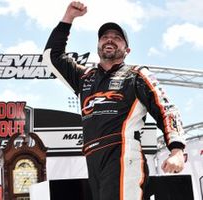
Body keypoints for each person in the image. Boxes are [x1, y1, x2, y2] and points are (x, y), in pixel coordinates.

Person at [43, 1, 186, 200]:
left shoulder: (136, 75)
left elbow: (166, 108)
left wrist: (177, 150)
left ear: (127, 50)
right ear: (98, 45)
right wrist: (68, 18)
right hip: (93, 159)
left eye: (117, 38)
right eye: (105, 37)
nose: (110, 40)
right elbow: (52, 57)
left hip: (123, 155)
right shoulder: (85, 77)